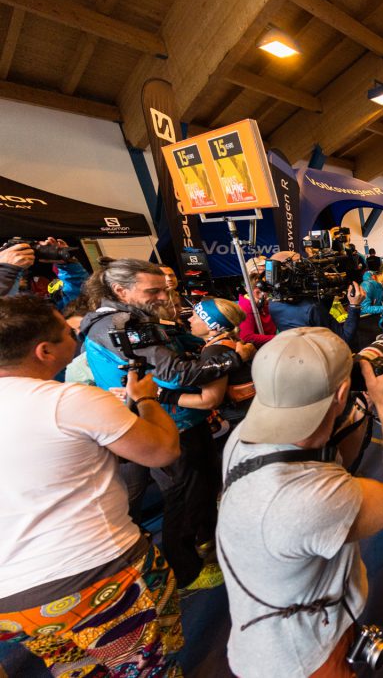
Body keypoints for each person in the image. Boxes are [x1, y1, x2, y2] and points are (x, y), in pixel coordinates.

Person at [217, 327, 383, 678]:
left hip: (264, 639)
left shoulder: (242, 439)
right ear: (342, 392)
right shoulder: (310, 499)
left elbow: (329, 458)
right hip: (307, 658)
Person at [0, 294, 183, 675]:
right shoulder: (70, 400)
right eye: (68, 332)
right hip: (97, 577)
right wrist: (147, 400)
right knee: (148, 670)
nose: (78, 334)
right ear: (44, 351)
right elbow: (162, 450)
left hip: (15, 603)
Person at [79, 258, 254, 589]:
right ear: (120, 290)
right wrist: (234, 357)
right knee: (182, 498)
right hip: (167, 425)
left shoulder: (133, 319)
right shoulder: (119, 326)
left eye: (165, 289)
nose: (163, 296)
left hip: (182, 422)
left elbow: (178, 353)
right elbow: (177, 374)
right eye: (153, 290)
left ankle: (205, 545)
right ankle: (185, 571)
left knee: (199, 491)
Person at [180, 298, 256, 428]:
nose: (189, 320)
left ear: (211, 324)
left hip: (242, 419)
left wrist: (165, 396)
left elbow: (210, 401)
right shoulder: (230, 341)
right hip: (251, 411)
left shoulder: (214, 350)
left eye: (194, 316)